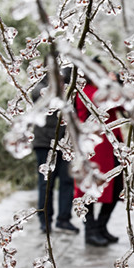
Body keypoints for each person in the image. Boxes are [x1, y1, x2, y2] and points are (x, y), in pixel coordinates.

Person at [74, 65, 124, 246]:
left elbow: (123, 104)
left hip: (111, 147)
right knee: (90, 191)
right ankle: (90, 231)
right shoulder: (87, 91)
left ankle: (101, 227)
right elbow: (108, 101)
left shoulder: (102, 90)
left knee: (117, 189)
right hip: (94, 150)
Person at [32, 67, 80, 234]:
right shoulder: (40, 87)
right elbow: (40, 98)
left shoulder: (68, 88)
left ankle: (64, 219)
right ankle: (45, 220)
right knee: (46, 183)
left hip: (65, 143)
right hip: (44, 143)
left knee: (67, 181)